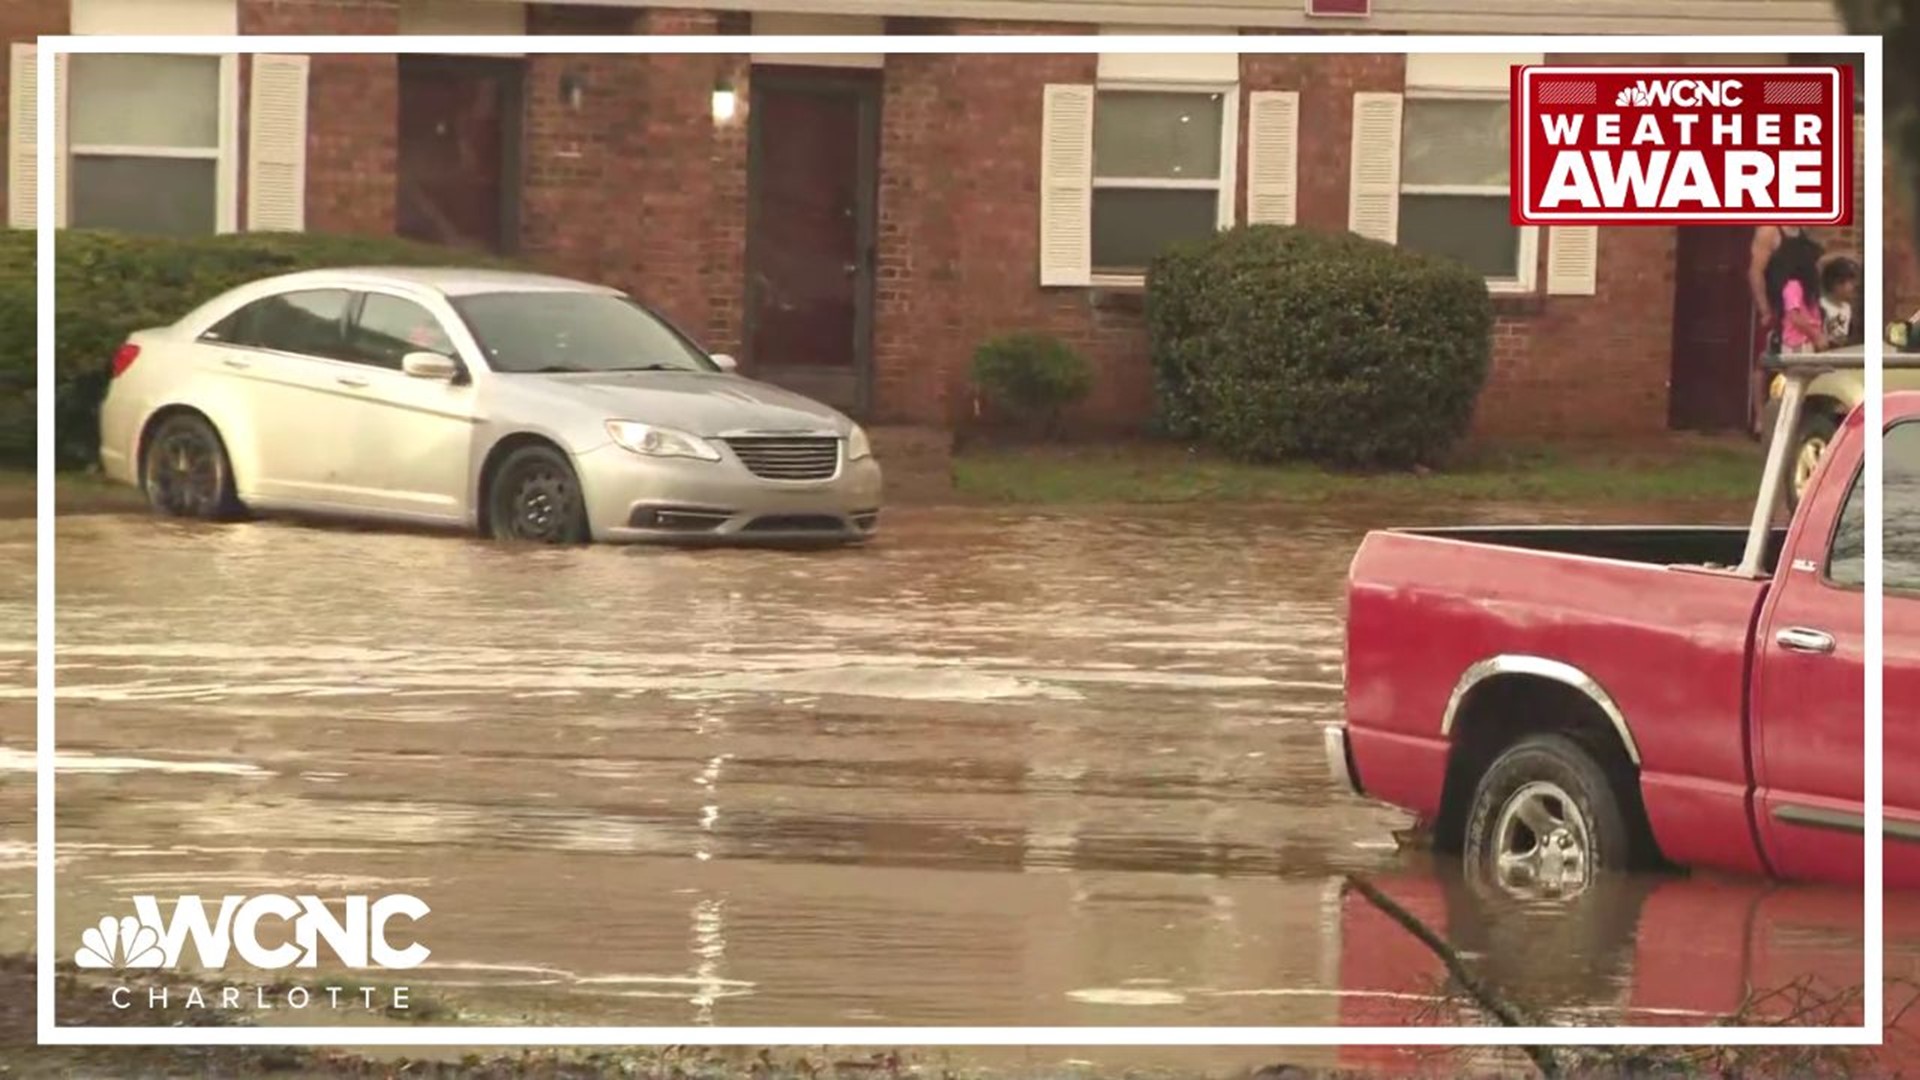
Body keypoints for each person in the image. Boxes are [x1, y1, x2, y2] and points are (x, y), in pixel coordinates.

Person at [1746, 225, 1825, 432]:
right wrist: (1764, 309)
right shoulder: (1769, 231)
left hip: (1799, 306)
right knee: (1764, 361)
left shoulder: (1805, 234)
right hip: (1777, 306)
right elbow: (1756, 272)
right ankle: (1760, 420)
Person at [1816, 254, 1861, 349]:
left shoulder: (1847, 307)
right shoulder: (1822, 306)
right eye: (1843, 283)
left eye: (1852, 282)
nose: (1850, 287)